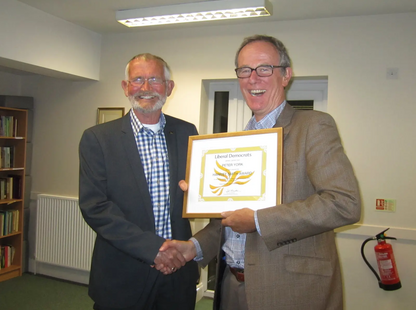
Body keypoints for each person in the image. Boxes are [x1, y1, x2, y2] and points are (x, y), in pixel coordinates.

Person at [159, 35, 362, 310]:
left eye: (264, 68)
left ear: (286, 75)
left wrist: (258, 220)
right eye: (245, 70)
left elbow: (344, 204)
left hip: (292, 290)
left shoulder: (314, 126)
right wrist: (194, 245)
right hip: (230, 285)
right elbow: (227, 221)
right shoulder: (234, 144)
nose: (253, 78)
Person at [79, 53, 199, 310]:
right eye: (138, 80)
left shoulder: (187, 133)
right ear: (125, 87)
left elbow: (199, 192)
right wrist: (154, 249)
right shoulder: (98, 139)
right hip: (122, 274)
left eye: (155, 79)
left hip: (179, 274)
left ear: (169, 87)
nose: (146, 88)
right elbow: (96, 207)